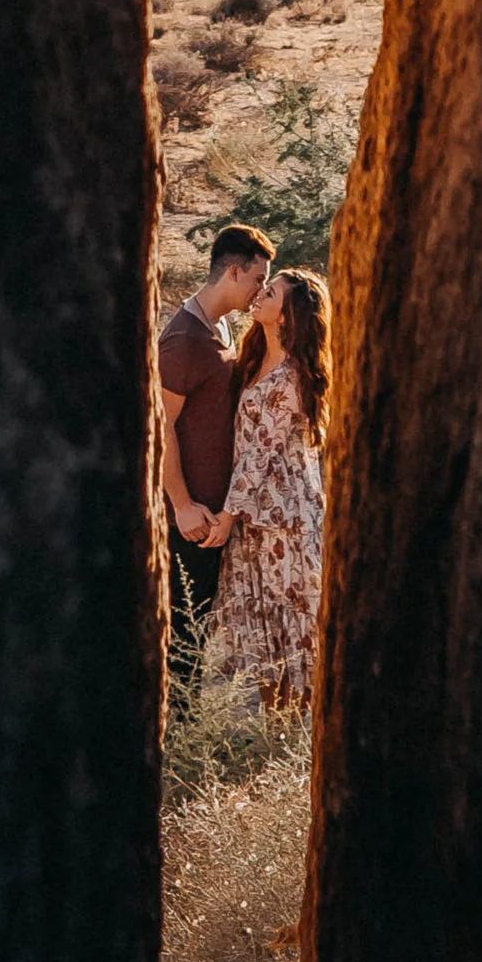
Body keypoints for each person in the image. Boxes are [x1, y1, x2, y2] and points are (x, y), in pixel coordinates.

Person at [205, 263, 330, 711]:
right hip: (252, 521)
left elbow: (260, 454)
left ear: (287, 314)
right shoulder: (254, 360)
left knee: (293, 629)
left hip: (287, 521)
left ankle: (297, 735)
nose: (259, 294)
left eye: (270, 293)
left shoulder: (293, 375)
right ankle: (274, 730)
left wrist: (225, 516)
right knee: (257, 629)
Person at [158, 223, 274, 654]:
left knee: (197, 640)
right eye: (258, 279)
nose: (259, 291)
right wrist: (182, 505)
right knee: (181, 645)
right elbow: (160, 423)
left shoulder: (220, 329)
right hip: (188, 521)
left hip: (213, 519)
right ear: (233, 273)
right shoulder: (185, 339)